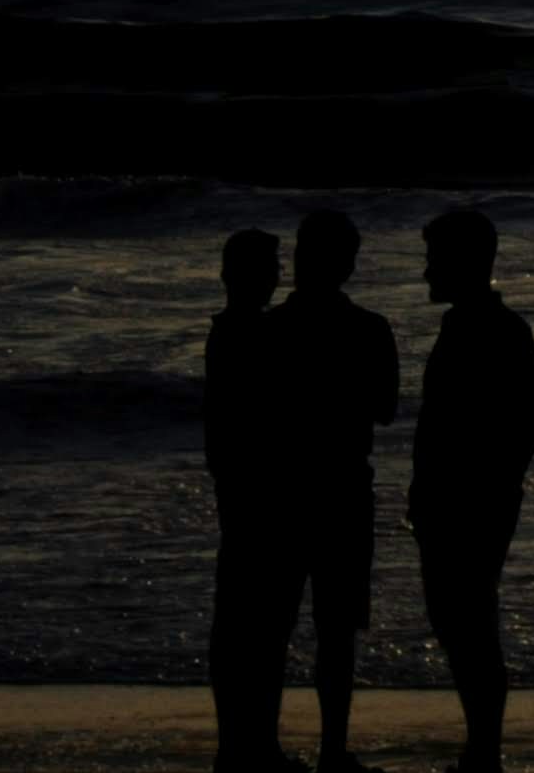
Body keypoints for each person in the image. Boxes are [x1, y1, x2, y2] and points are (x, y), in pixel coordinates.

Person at [410, 208, 534, 773]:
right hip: (461, 498)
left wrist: (485, 487)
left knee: (468, 622)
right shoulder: (474, 326)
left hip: (471, 501)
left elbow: (517, 425)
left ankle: (484, 750)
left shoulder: (496, 330)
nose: (425, 272)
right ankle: (481, 746)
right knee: (461, 619)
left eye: (435, 259)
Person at [271, 210, 399, 773]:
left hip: (282, 490)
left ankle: (265, 744)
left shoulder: (270, 330)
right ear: (348, 265)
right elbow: (386, 408)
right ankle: (331, 750)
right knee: (336, 630)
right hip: (343, 489)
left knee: (273, 624)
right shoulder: (370, 329)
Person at [204, 229, 299, 773]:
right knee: (260, 625)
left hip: (241, 490)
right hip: (258, 494)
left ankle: (242, 743)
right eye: (270, 268)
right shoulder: (251, 335)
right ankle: (252, 743)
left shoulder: (233, 332)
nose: (276, 277)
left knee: (247, 622)